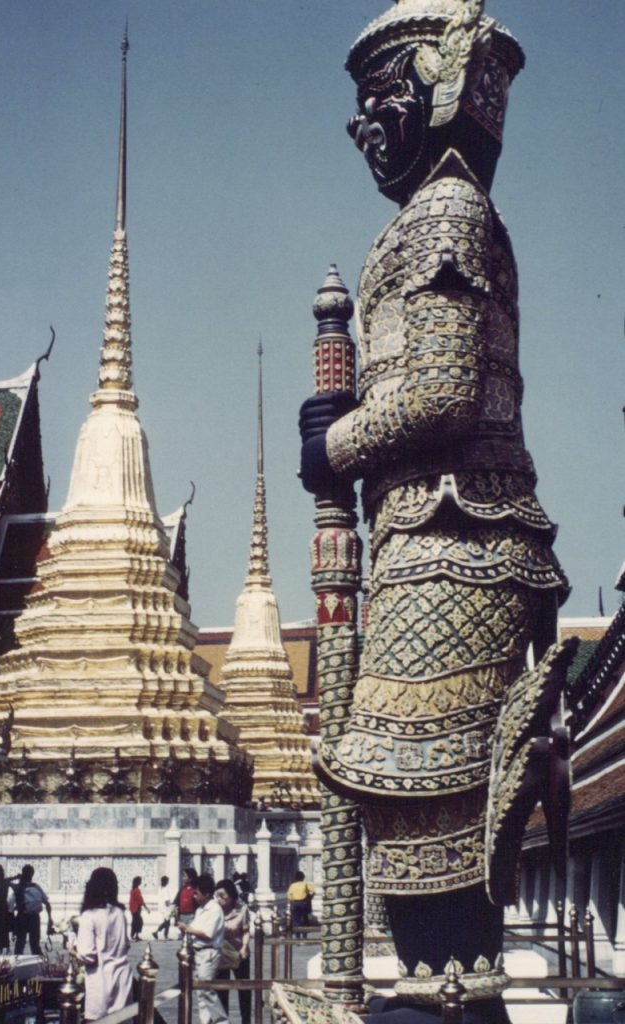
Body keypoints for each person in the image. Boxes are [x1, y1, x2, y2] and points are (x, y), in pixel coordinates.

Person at [299, 0, 572, 1009]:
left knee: (432, 856)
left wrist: (331, 442)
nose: (360, 125)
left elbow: (441, 393)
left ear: (440, 94)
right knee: (418, 851)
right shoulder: (424, 221)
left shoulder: (444, 216)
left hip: (454, 540)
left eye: (379, 100)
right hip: (440, 540)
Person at [73, 867, 133, 1022]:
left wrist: (72, 950)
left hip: (100, 981)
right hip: (122, 979)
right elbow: (126, 945)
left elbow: (88, 956)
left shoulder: (89, 916)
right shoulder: (120, 913)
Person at [178, 873, 228, 1024]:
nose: (194, 896)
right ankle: (205, 1021)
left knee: (206, 991)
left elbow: (207, 934)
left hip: (209, 952)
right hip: (198, 953)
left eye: (197, 893)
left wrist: (187, 928)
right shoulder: (201, 910)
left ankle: (222, 1022)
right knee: (201, 992)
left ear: (206, 893)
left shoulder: (214, 910)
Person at [215, 878, 250, 1024]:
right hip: (221, 953)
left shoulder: (242, 909)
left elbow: (246, 931)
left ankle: (246, 1020)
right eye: (218, 895)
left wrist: (244, 947)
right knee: (222, 989)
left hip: (239, 952)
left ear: (232, 895)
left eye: (223, 896)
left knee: (244, 989)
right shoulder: (215, 910)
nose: (220, 899)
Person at [8, 864, 53, 955]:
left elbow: (4, 881)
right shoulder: (36, 887)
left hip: (22, 918)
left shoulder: (17, 887)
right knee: (34, 944)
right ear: (32, 875)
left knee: (20, 944)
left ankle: (17, 965)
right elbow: (47, 903)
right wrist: (50, 919)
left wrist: (15, 877)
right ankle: (39, 966)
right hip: (34, 918)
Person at [286, 871, 313, 938]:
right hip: (303, 903)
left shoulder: (292, 885)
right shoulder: (306, 884)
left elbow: (289, 895)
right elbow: (313, 891)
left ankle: (297, 937)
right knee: (304, 920)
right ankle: (304, 936)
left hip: (295, 903)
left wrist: (292, 901)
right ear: (303, 877)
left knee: (296, 921)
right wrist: (309, 898)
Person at [0, 864, 10, 951]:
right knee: (3, 929)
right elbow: (11, 879)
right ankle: (1, 947)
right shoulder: (5, 883)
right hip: (3, 909)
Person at [152, 875, 173, 941]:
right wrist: (170, 908)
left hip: (161, 907)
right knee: (167, 922)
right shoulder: (165, 889)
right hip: (166, 907)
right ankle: (158, 932)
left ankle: (163, 934)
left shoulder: (160, 889)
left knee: (166, 921)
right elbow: (167, 901)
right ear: (166, 881)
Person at [128, 876, 148, 941]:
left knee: (135, 921)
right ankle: (134, 934)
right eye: (140, 881)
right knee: (138, 921)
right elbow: (140, 900)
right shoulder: (136, 890)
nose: (141, 882)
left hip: (132, 908)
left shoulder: (132, 890)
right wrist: (146, 908)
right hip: (136, 908)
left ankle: (135, 935)